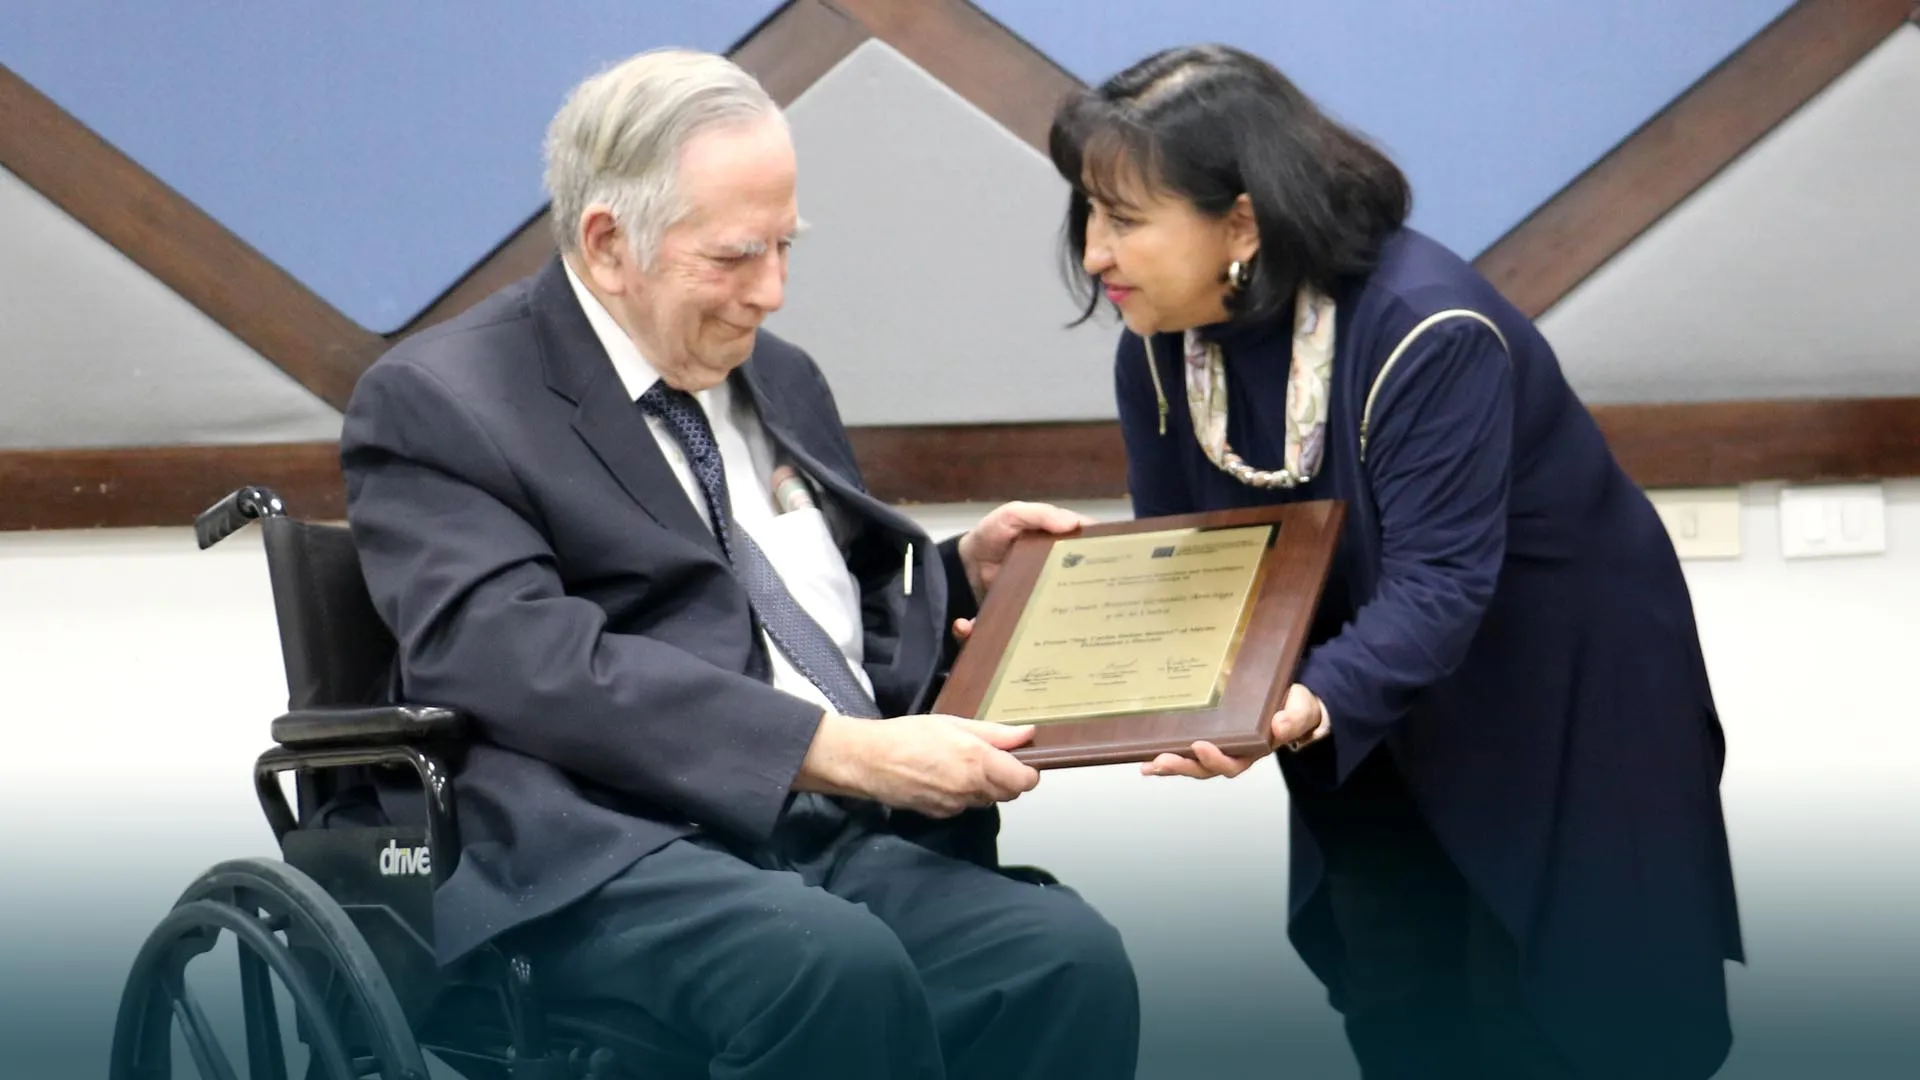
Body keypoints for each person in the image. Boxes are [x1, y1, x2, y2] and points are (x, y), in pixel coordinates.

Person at [339, 48, 1139, 1080]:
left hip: (814, 826)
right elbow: (513, 656)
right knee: (832, 970)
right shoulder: (441, 399)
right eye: (734, 257)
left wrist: (962, 576)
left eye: (784, 248)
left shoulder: (776, 377)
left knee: (1061, 961)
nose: (772, 292)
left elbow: (812, 610)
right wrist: (835, 751)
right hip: (604, 841)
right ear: (607, 242)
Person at [1042, 44, 1743, 1079]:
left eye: (1127, 219)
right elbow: (1194, 565)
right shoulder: (1155, 340)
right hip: (1354, 706)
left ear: (1242, 221)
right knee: (1399, 998)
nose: (1097, 253)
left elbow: (1440, 588)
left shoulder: (1427, 325)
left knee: (1559, 1014)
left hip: (1552, 702)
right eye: (1086, 214)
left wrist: (1288, 705)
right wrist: (1067, 654)